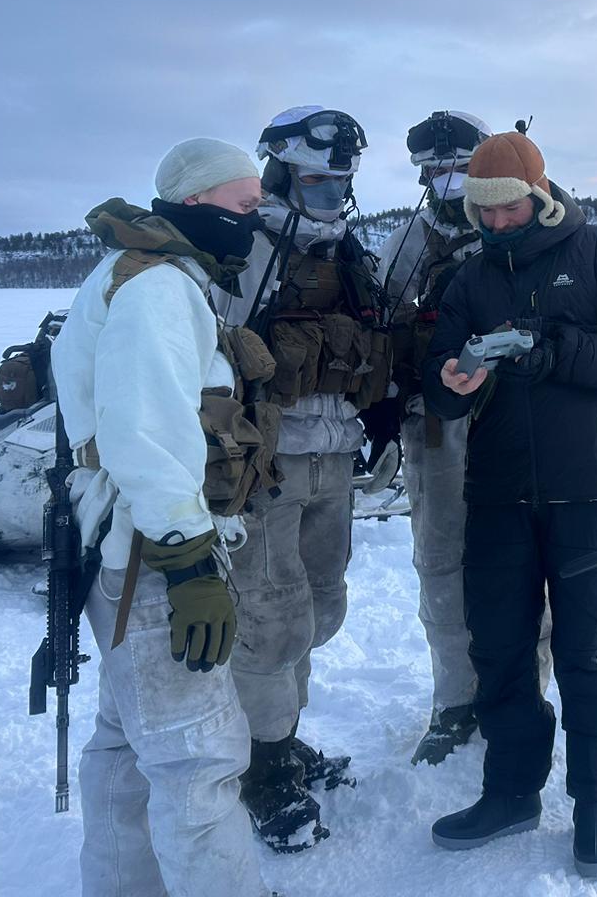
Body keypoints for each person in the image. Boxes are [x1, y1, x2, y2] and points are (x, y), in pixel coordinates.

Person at [422, 130, 597, 878]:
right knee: (497, 642)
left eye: (508, 208)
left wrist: (556, 348)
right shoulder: (469, 278)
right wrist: (453, 380)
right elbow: (437, 378)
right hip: (497, 486)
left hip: (589, 483)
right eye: (482, 212)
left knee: (584, 647)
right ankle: (510, 791)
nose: (496, 223)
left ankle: (595, 799)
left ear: (539, 194)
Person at [51, 137, 269, 897]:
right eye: (245, 206)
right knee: (197, 760)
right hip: (149, 555)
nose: (255, 219)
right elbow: (141, 432)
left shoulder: (136, 273)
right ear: (197, 201)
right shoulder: (156, 290)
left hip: (117, 547)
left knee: (125, 747)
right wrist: (186, 560)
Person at [216, 105, 397, 852]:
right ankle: (257, 768)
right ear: (284, 174)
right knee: (269, 616)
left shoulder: (353, 253)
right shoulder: (245, 251)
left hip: (335, 455)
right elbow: (214, 348)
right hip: (269, 459)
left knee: (322, 607)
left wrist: (381, 421)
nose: (331, 196)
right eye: (317, 183)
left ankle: (281, 737)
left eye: (340, 184)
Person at [377, 111, 551, 766]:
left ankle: (524, 697)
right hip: (437, 429)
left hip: (523, 425)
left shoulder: (521, 231)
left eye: (459, 166)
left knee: (527, 567)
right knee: (442, 567)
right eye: (436, 169)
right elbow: (381, 335)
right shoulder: (406, 247)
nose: (448, 181)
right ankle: (454, 702)